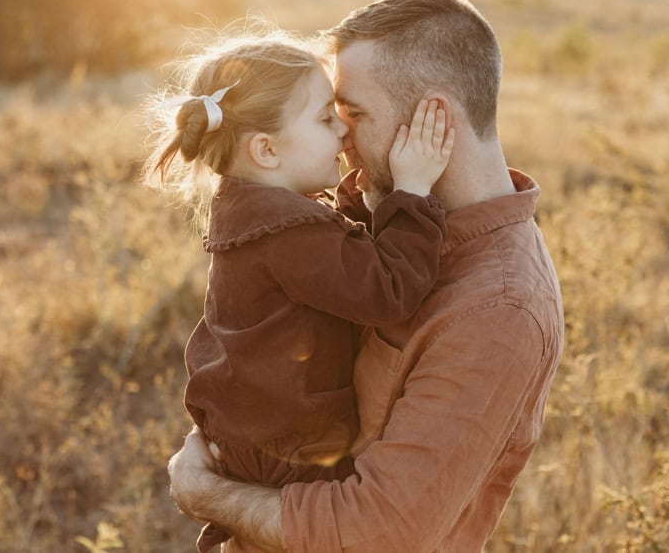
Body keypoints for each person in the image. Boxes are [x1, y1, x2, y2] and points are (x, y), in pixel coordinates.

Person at [167, 0, 565, 552]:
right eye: (330, 114)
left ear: (435, 120)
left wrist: (210, 494)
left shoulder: (499, 309)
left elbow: (377, 532)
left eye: (351, 114)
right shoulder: (370, 214)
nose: (340, 134)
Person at [143, 31, 456, 552]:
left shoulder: (252, 206)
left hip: (253, 434)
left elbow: (336, 254)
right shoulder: (288, 230)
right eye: (324, 118)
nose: (343, 130)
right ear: (265, 149)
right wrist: (413, 191)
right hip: (292, 453)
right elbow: (388, 290)